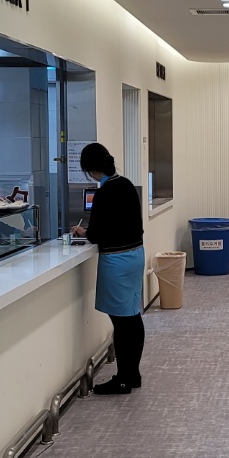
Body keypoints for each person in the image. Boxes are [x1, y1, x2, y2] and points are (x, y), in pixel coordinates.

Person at [71, 142, 145, 395]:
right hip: (135, 256)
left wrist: (83, 232)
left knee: (121, 323)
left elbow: (96, 234)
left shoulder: (104, 193)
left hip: (117, 261)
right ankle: (133, 375)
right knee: (132, 317)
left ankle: (123, 379)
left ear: (91, 169)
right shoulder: (126, 184)